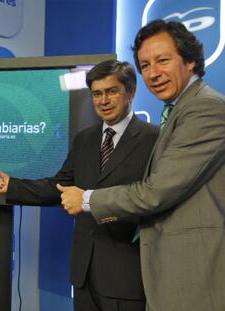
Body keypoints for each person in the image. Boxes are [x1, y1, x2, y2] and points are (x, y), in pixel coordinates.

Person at [58, 20, 225, 311]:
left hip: (193, 275)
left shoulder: (205, 108)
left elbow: (157, 191)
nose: (153, 73)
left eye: (162, 61)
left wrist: (86, 199)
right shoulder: (177, 111)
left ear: (190, 61)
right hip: (162, 272)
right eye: (145, 65)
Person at [0, 60, 159, 311]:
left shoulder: (154, 139)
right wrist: (13, 187)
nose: (103, 100)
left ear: (131, 91)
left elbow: (152, 198)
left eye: (112, 91)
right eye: (96, 94)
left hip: (128, 276)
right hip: (84, 276)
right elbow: (60, 187)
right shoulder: (84, 140)